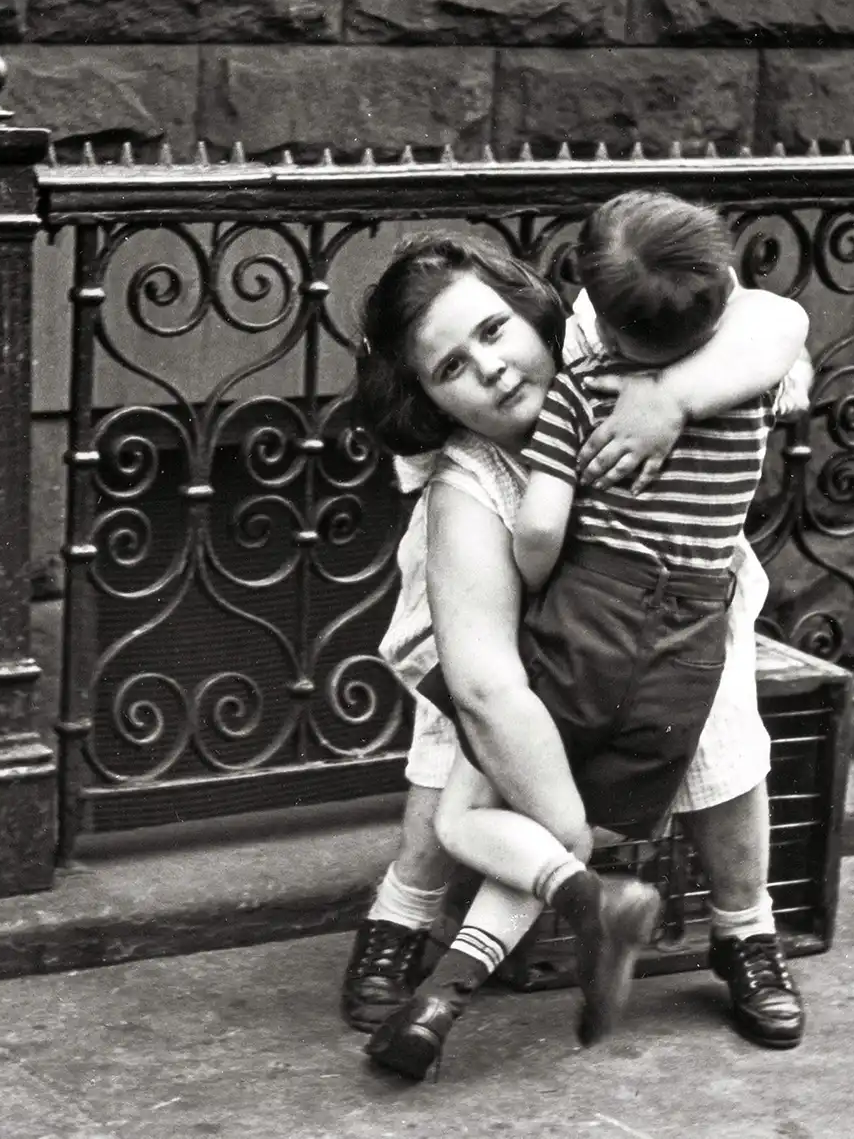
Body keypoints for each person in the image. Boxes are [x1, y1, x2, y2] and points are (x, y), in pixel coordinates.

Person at [341, 215, 808, 1079]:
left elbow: (777, 323)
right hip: (513, 629)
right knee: (464, 743)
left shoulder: (609, 326)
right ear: (433, 398)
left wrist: (675, 394)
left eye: (492, 329)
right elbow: (487, 684)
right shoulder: (470, 478)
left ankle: (747, 930)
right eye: (451, 368)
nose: (489, 367)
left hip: (676, 602)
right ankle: (402, 916)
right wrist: (559, 823)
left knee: (722, 731)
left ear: (531, 309)